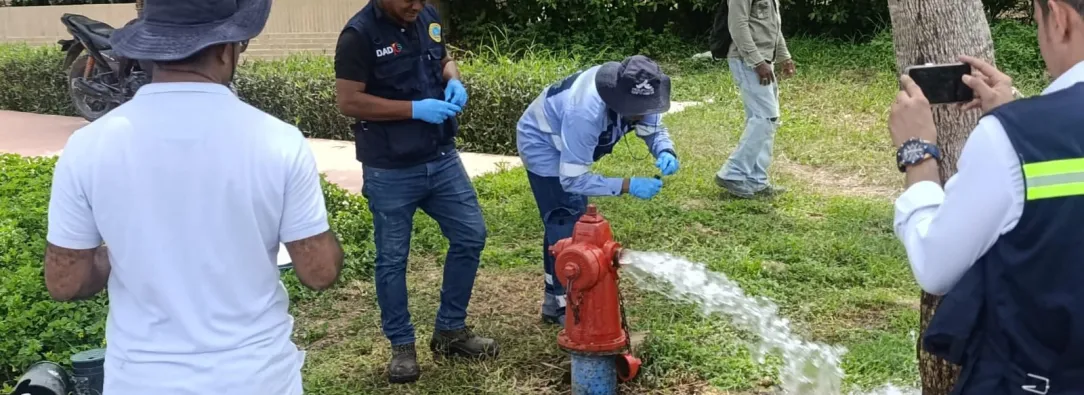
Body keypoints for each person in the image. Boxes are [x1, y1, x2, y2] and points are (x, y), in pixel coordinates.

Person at [43, 1, 345, 394]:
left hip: (142, 381)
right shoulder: (279, 141)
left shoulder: (88, 147)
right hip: (256, 378)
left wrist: (118, 251)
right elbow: (319, 271)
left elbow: (65, 281)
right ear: (225, 49)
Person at [888, 0, 1084, 392]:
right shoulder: (1021, 134)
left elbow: (936, 264)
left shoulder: (1013, 137)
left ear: (1059, 17)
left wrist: (917, 154)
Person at [333, 0, 497, 384]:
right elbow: (348, 100)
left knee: (471, 235)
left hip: (440, 157)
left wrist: (453, 77)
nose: (416, 4)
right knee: (392, 259)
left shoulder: (426, 16)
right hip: (390, 167)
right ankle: (402, 346)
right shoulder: (357, 36)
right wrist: (412, 109)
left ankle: (450, 331)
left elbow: (442, 57)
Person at [516, 55, 680, 326]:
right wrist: (628, 185)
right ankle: (562, 306)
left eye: (647, 106)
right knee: (565, 218)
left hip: (568, 138)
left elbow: (654, 128)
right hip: (542, 141)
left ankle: (553, 297)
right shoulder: (585, 112)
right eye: (636, 109)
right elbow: (572, 180)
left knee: (571, 219)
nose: (642, 113)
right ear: (618, 97)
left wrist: (664, 148)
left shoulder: (642, 90)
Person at [712, 0, 796, 198]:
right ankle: (732, 173)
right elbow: (737, 25)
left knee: (765, 120)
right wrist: (757, 61)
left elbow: (774, 25)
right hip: (747, 61)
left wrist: (784, 57)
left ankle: (756, 180)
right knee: (766, 118)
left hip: (765, 60)